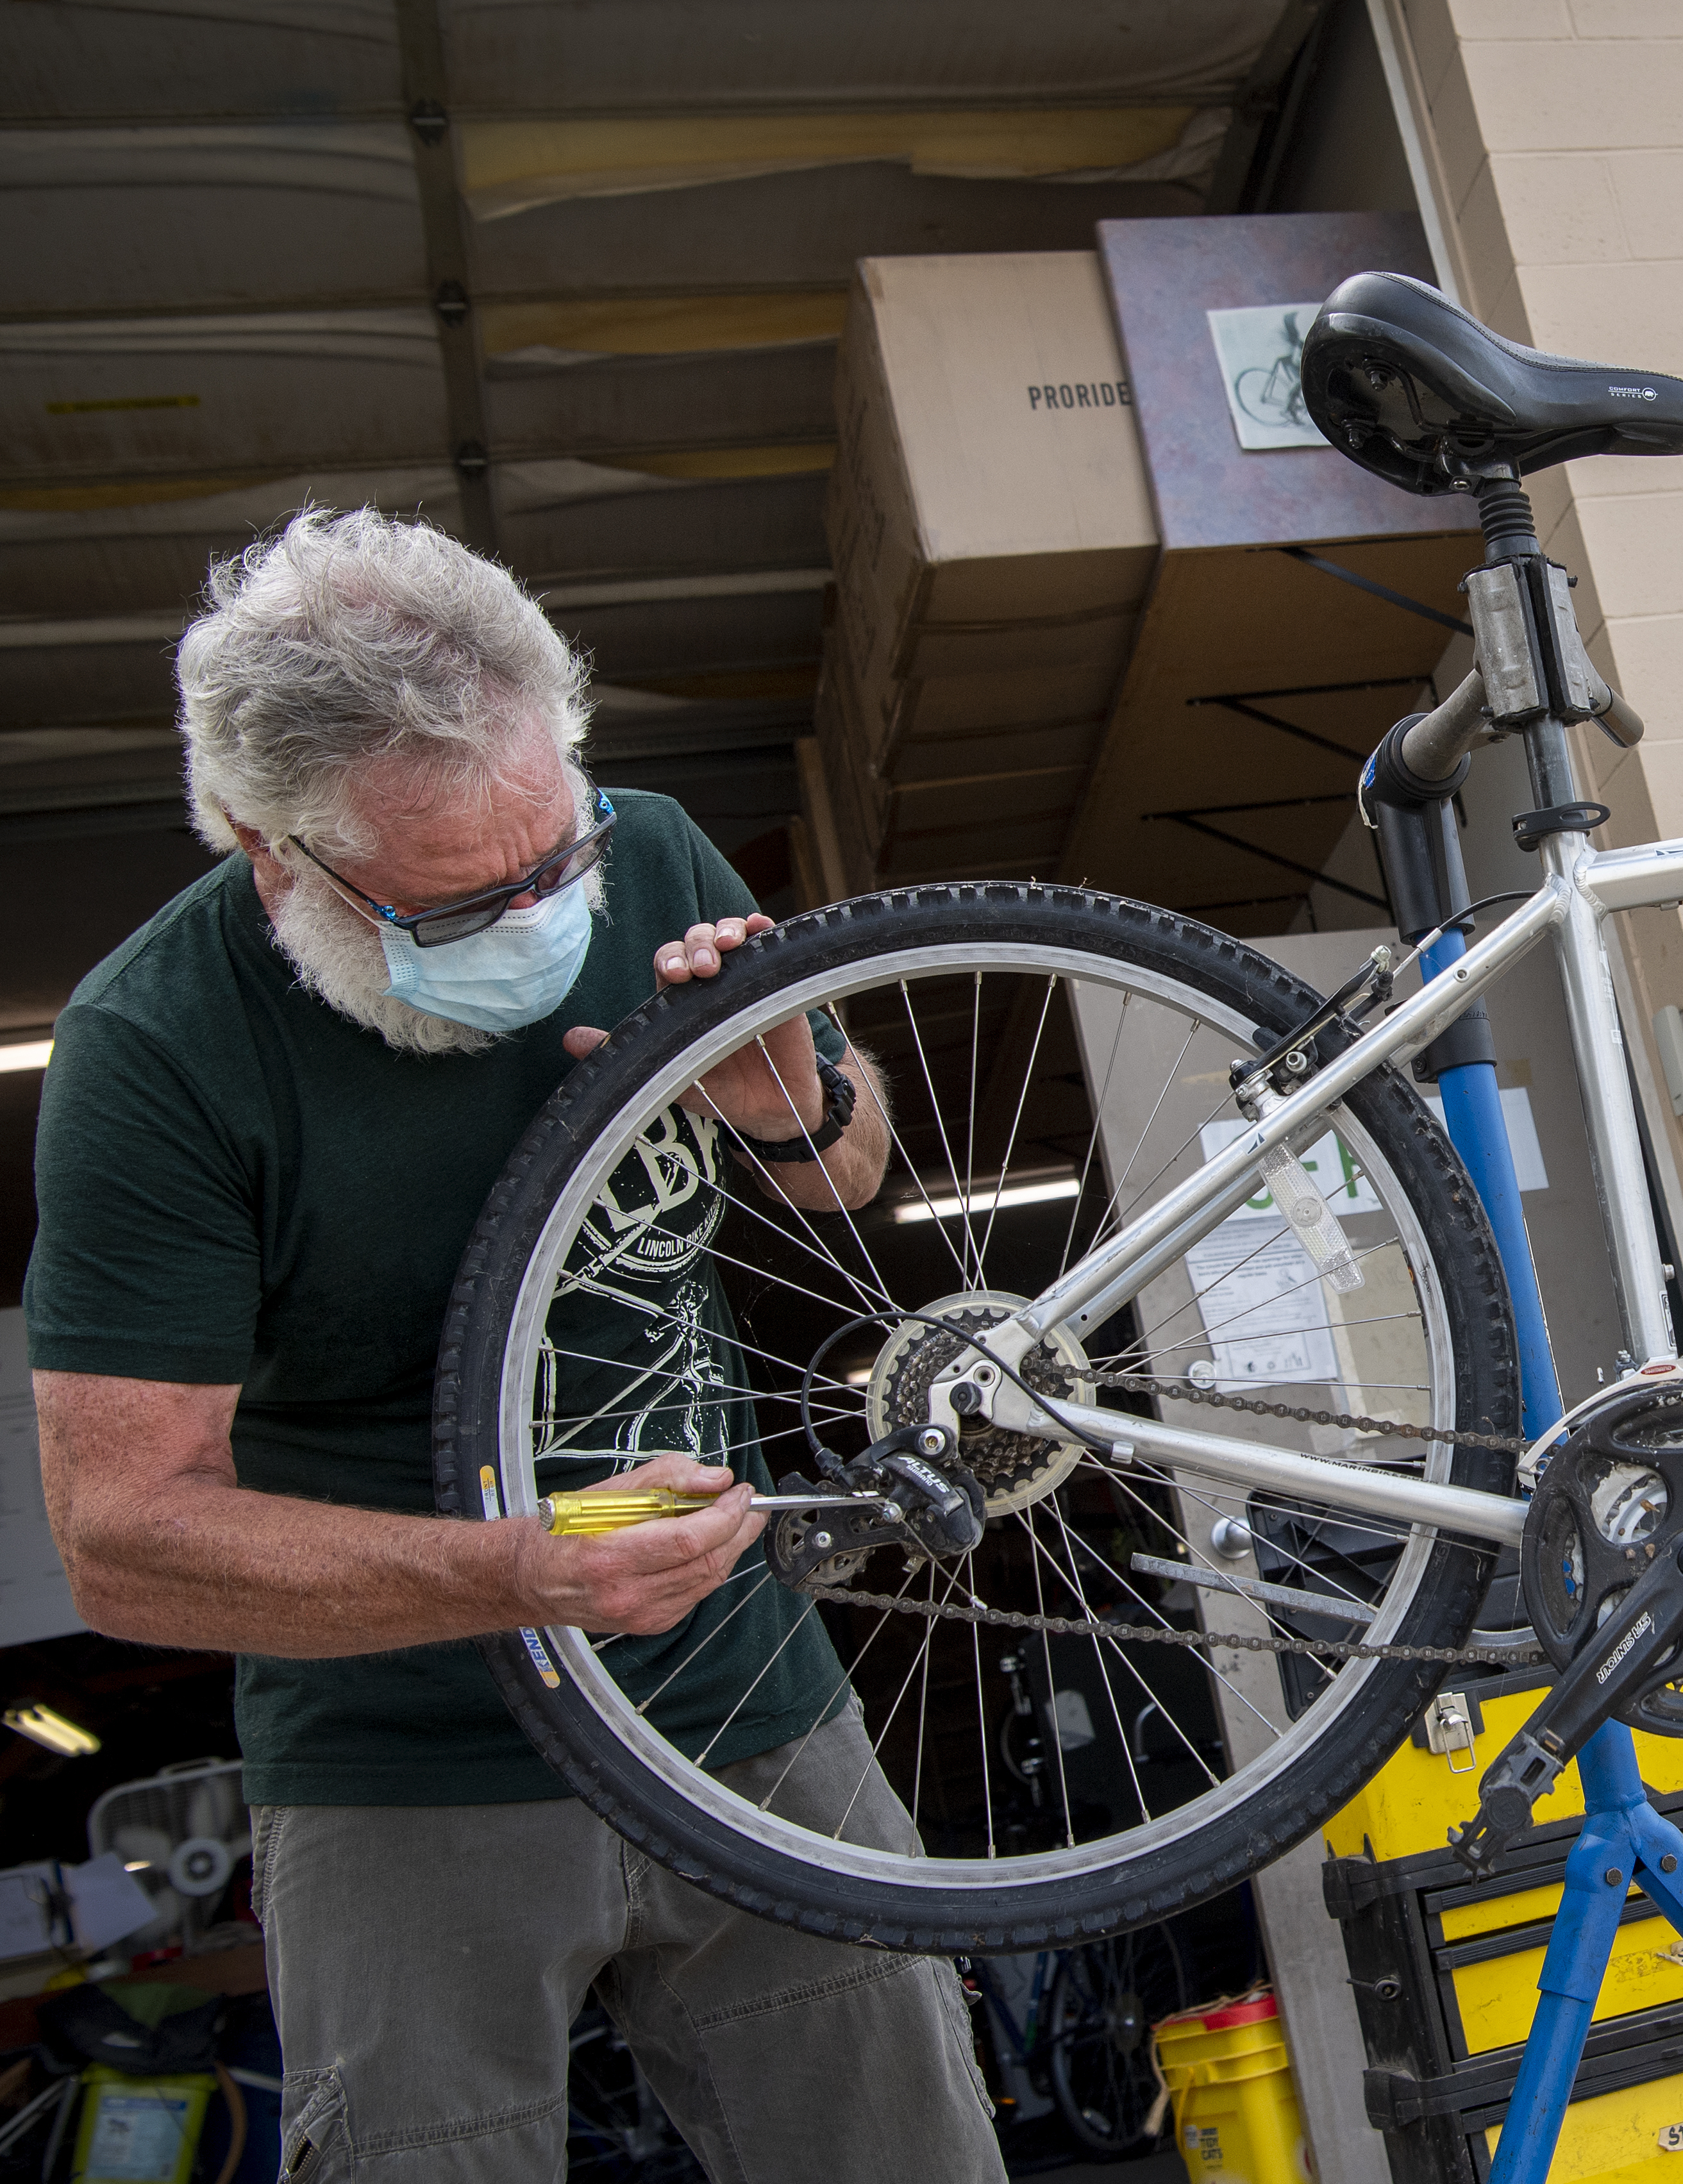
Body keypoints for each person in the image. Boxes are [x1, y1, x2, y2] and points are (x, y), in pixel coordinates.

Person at [24, 510, 1007, 2181]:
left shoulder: (661, 851)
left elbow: (848, 1167)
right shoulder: (157, 1056)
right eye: (474, 897)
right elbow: (124, 1541)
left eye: (566, 851)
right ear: (276, 853)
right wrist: (515, 1576)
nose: (554, 908)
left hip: (749, 1706)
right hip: (406, 1772)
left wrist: (791, 1097)